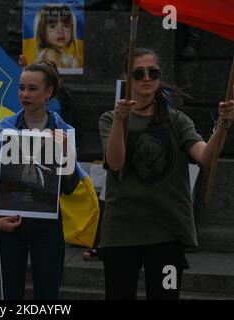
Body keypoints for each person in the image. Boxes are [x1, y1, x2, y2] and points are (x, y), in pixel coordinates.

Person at [98, 47, 234, 300]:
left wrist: (223, 126)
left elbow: (205, 157)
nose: (147, 77)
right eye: (139, 73)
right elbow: (115, 163)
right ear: (127, 78)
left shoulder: (177, 119)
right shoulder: (109, 119)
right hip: (122, 229)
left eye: (153, 72)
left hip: (167, 230)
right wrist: (119, 121)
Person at [0, 62, 100, 300]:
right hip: (11, 223)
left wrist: (66, 154)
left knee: (48, 291)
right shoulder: (4, 128)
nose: (25, 94)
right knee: (9, 292)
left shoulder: (64, 130)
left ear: (49, 93)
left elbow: (70, 185)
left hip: (48, 225)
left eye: (33, 88)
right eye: (21, 87)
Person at [33, 4, 81, 69]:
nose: (60, 31)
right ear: (42, 31)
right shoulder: (50, 53)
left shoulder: (69, 57)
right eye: (52, 26)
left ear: (72, 29)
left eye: (65, 26)